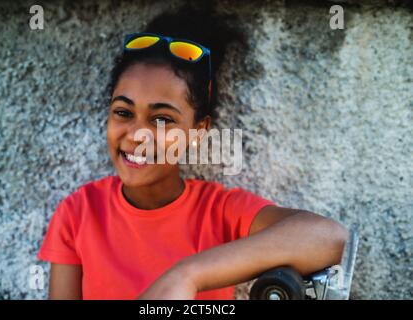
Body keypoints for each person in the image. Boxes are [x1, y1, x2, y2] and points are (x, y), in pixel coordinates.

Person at [37, 5, 349, 300]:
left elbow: (329, 238)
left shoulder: (219, 212)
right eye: (123, 112)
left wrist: (186, 274)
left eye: (162, 119)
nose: (136, 135)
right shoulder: (79, 213)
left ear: (198, 131)